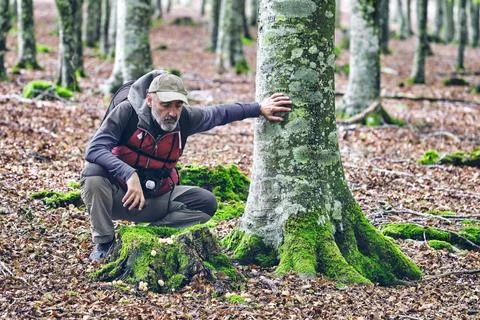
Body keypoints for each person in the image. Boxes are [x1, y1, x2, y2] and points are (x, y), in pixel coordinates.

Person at [81, 70, 291, 262]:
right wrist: (129, 174)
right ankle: (105, 243)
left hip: (156, 199)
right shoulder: (126, 113)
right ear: (150, 99)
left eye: (178, 105)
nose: (172, 112)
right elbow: (94, 149)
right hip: (120, 197)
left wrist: (259, 108)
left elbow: (220, 113)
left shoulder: (186, 119)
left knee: (205, 202)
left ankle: (148, 235)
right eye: (166, 105)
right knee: (93, 173)